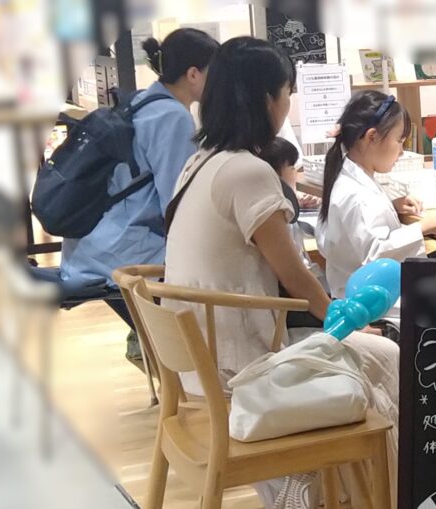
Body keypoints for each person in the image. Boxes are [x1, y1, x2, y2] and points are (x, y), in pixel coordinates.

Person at [163, 37, 399, 507]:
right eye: (287, 92)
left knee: (375, 355)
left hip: (196, 360)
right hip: (239, 367)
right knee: (387, 357)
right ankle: (371, 497)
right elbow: (295, 276)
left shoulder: (200, 162)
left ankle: (342, 495)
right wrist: (342, 318)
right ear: (267, 98)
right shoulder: (246, 172)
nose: (288, 103)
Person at [59, 28, 218, 359]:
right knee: (208, 282)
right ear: (193, 74)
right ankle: (155, 355)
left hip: (92, 243)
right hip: (126, 252)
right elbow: (176, 202)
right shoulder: (173, 117)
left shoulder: (142, 101)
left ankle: (148, 348)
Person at [316, 91, 436, 326]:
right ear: (372, 137)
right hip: (377, 312)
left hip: (367, 302)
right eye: (399, 141)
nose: (401, 152)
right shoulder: (356, 194)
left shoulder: (350, 177)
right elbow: (376, 255)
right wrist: (425, 226)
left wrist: (391, 206)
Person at [258, 137, 329, 293]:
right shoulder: (278, 214)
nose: (295, 173)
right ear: (275, 173)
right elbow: (296, 271)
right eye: (292, 168)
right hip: (299, 289)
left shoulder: (277, 202)